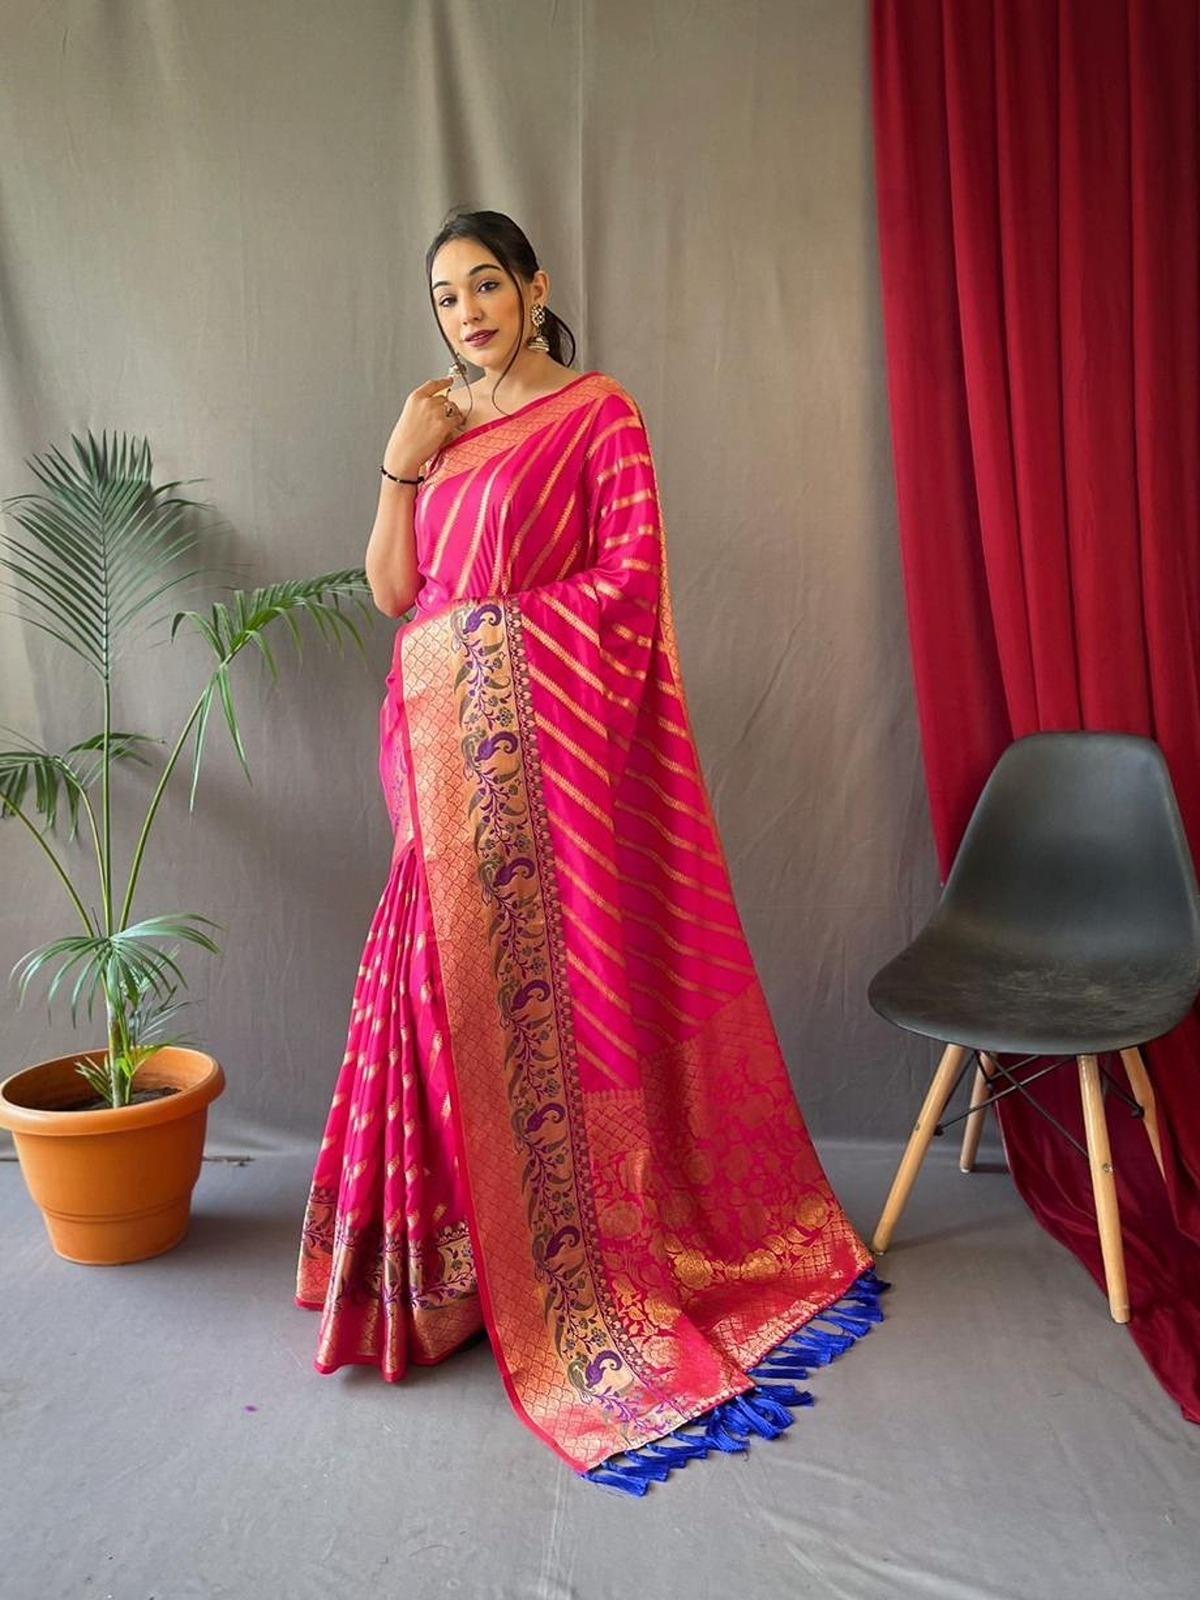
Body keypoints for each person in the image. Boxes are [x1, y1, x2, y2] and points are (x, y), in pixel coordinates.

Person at [295, 208, 885, 1494]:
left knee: (541, 1006)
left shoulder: (599, 415)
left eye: (486, 285)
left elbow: (628, 588)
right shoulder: (436, 424)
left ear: (535, 285)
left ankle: (554, 1267)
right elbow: (394, 593)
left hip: (538, 752)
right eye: (446, 296)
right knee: (435, 994)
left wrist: (486, 646)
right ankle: (442, 1277)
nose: (467, 312)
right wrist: (398, 465)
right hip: (436, 753)